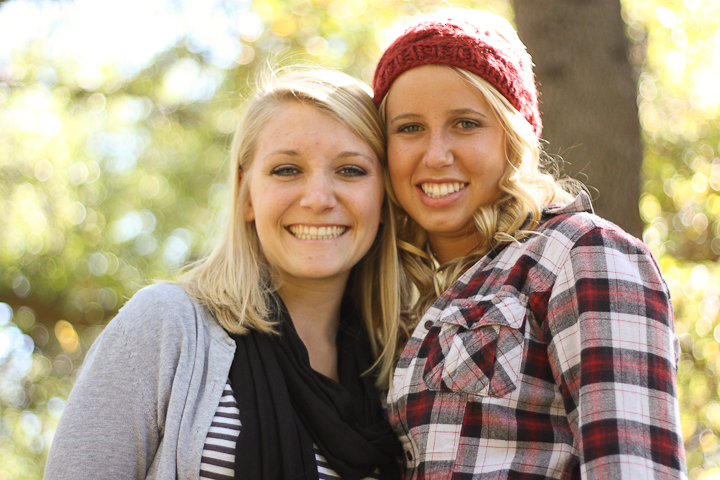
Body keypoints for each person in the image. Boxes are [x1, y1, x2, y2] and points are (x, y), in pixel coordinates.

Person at [44, 68, 407, 480]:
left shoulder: (401, 373)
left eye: (351, 170)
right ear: (246, 193)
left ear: (384, 197)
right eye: (287, 170)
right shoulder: (166, 325)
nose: (319, 198)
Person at [372, 9, 687, 480]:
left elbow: (633, 468)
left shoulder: (581, 253)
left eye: (466, 123)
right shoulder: (396, 293)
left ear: (513, 136)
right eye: (409, 128)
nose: (436, 155)